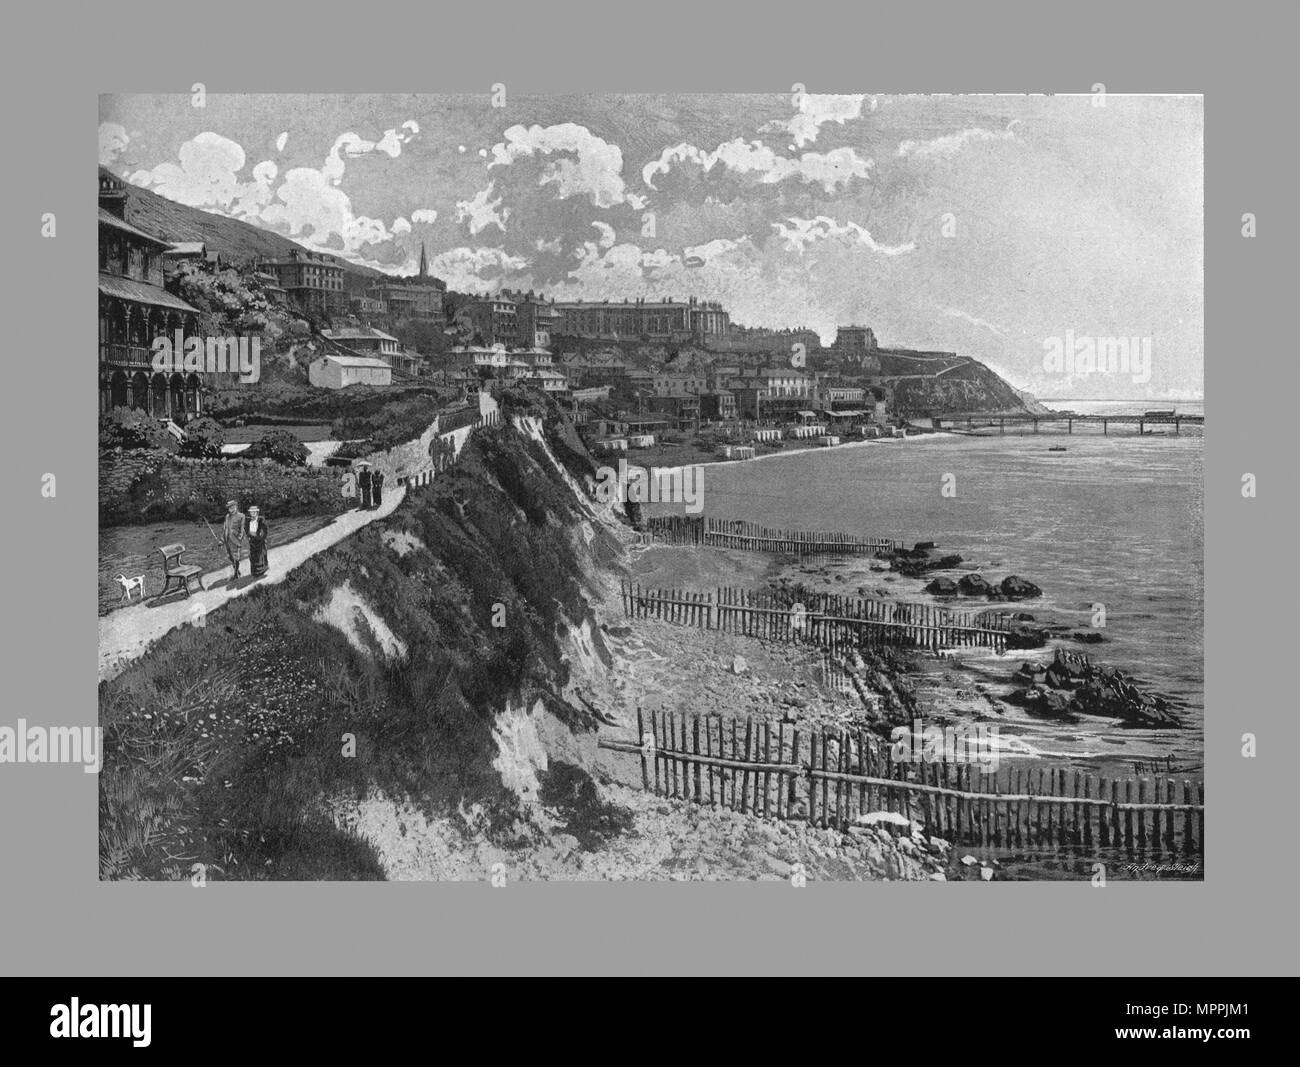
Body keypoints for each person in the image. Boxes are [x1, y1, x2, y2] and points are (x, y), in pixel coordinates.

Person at [220, 499, 247, 578]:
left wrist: (239, 539)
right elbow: (225, 528)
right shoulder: (227, 516)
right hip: (227, 539)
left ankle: (236, 574)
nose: (230, 509)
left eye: (232, 507)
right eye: (229, 508)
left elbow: (242, 529)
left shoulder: (241, 516)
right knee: (230, 556)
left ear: (235, 507)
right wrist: (222, 540)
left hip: (235, 540)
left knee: (236, 557)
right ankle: (236, 569)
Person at [246, 505, 270, 578]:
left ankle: (262, 570)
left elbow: (265, 530)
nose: (252, 514)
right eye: (251, 512)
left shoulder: (260, 520)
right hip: (252, 540)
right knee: (253, 556)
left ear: (257, 512)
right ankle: (255, 572)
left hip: (260, 540)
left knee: (261, 555)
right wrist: (249, 536)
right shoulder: (249, 521)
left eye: (254, 512)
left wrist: (261, 537)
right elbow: (247, 531)